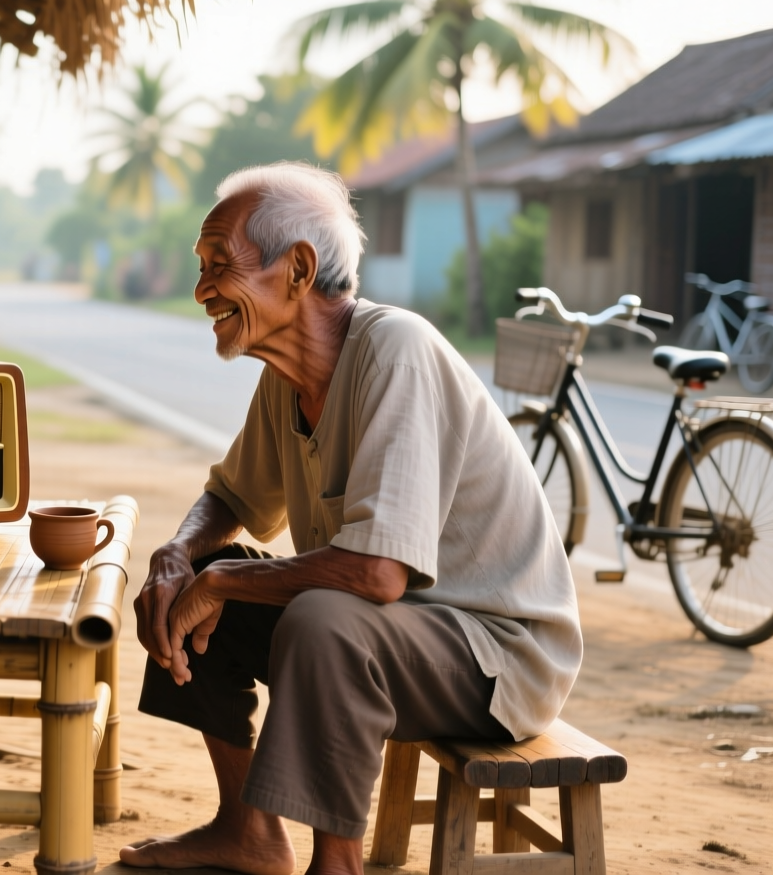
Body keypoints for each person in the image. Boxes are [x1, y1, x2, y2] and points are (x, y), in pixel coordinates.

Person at [118, 162, 582, 875]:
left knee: (323, 619)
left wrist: (221, 588)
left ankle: (338, 864)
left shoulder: (396, 348)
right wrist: (181, 557)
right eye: (201, 268)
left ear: (297, 270)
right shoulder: (288, 380)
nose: (201, 289)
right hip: (395, 634)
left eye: (220, 266)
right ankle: (248, 831)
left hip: (498, 655)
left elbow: (377, 574)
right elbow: (234, 501)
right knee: (204, 579)